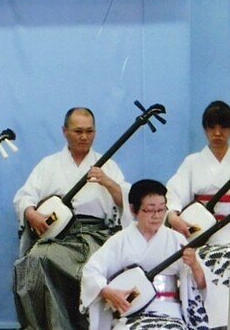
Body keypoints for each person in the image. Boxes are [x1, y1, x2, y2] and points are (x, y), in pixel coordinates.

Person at [13, 107, 131, 329]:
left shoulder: (107, 165)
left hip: (97, 235)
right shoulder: (49, 164)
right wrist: (32, 214)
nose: (84, 137)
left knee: (98, 266)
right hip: (60, 237)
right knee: (36, 259)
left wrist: (108, 182)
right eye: (78, 131)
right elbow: (24, 197)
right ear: (64, 131)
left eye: (89, 131)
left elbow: (127, 201)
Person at [81, 179, 208, 329]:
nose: (157, 216)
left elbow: (201, 284)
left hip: (170, 313)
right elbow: (91, 272)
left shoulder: (176, 240)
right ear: (133, 210)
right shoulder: (120, 240)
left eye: (161, 209)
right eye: (150, 210)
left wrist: (194, 264)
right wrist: (108, 292)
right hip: (131, 314)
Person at [166, 100, 230, 328]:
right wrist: (174, 217)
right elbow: (173, 195)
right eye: (212, 127)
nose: (218, 133)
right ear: (205, 129)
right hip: (201, 234)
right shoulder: (192, 162)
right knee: (193, 265)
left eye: (223, 127)